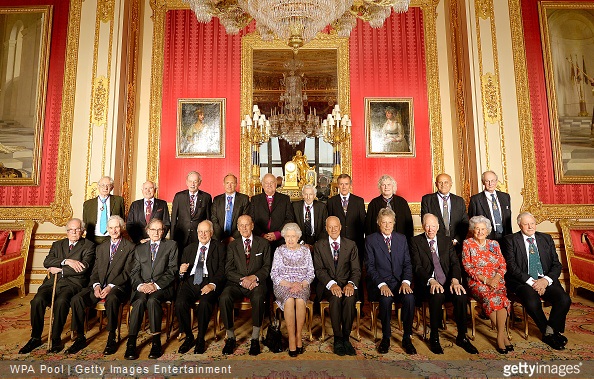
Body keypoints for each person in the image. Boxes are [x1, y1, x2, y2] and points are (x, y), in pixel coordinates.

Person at [19, 219, 95, 354]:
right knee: (37, 301)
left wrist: (60, 269)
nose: (74, 232)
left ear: (82, 231)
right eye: (71, 230)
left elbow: (83, 268)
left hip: (73, 283)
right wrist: (67, 261)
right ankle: (35, 337)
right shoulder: (57, 244)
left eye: (77, 229)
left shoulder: (88, 245)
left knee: (61, 302)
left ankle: (56, 339)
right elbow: (47, 262)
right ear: (67, 232)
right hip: (52, 282)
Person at [66, 216, 135, 355]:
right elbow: (95, 271)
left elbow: (127, 273)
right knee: (77, 299)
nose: (114, 230)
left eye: (116, 227)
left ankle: (111, 337)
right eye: (111, 228)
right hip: (99, 286)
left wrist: (110, 286)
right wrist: (96, 285)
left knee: (112, 299)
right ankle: (80, 338)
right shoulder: (101, 247)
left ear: (121, 228)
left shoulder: (130, 247)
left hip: (118, 287)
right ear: (107, 230)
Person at [503, 212, 571, 351]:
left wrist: (545, 281)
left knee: (564, 299)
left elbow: (556, 264)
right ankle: (550, 333)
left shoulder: (546, 238)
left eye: (532, 223)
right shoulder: (510, 240)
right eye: (526, 224)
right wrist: (531, 281)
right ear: (519, 225)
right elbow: (511, 267)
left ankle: (550, 332)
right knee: (532, 302)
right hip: (522, 280)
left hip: (545, 279)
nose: (530, 226)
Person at [124, 219, 178, 360]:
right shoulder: (140, 248)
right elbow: (134, 272)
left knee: (153, 300)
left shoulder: (171, 246)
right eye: (153, 230)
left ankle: (156, 342)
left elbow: (172, 270)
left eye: (160, 229)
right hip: (142, 286)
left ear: (163, 231)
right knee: (140, 301)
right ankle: (131, 342)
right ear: (147, 231)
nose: (156, 232)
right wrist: (141, 286)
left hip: (162, 287)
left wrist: (155, 285)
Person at [365, 208, 416, 355]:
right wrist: (382, 285)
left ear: (394, 223)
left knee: (410, 298)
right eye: (384, 223)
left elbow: (407, 264)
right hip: (380, 284)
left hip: (400, 283)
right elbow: (370, 267)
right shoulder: (371, 240)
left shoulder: (401, 238)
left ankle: (407, 337)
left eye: (390, 223)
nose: (387, 226)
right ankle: (386, 338)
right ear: (378, 223)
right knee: (386, 300)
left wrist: (406, 282)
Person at [219, 215, 271, 356]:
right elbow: (228, 270)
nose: (244, 228)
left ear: (252, 226)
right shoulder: (232, 245)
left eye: (247, 225)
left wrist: (254, 277)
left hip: (256, 283)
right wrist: (242, 280)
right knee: (224, 297)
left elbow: (267, 267)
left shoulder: (263, 244)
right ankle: (230, 337)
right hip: (236, 283)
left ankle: (255, 338)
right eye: (241, 225)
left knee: (259, 296)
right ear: (237, 227)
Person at [462, 215, 512, 354]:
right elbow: (468, 267)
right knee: (490, 298)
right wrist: (486, 280)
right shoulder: (468, 244)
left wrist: (496, 278)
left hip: (496, 280)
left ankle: (500, 335)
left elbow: (503, 264)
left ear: (488, 230)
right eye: (477, 229)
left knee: (501, 299)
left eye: (483, 229)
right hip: (477, 281)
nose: (480, 232)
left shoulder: (494, 244)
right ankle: (502, 338)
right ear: (473, 230)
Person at [176, 220, 226, 354]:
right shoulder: (189, 248)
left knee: (204, 303)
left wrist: (212, 284)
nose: (203, 234)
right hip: (191, 281)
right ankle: (189, 336)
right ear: (197, 233)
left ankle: (200, 338)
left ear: (212, 233)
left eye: (206, 231)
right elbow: (181, 275)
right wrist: (181, 271)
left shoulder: (220, 247)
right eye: (200, 232)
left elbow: (222, 270)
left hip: (208, 280)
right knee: (180, 303)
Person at [313, 216, 360, 356]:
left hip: (347, 284)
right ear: (326, 228)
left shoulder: (351, 245)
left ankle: (346, 338)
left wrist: (351, 284)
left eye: (336, 226)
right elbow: (319, 270)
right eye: (330, 227)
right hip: (327, 286)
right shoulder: (319, 245)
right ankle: (338, 339)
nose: (333, 229)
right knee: (335, 299)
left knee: (350, 299)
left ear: (340, 227)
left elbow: (356, 270)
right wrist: (332, 284)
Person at [270, 223, 315, 357]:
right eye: (287, 236)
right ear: (284, 237)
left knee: (300, 301)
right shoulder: (279, 250)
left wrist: (301, 284)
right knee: (289, 300)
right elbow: (274, 274)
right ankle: (291, 338)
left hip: (302, 285)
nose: (290, 240)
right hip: (283, 285)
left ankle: (298, 335)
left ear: (298, 237)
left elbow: (311, 273)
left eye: (293, 237)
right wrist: (289, 284)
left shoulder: (305, 251)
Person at [326, 174, 366, 303]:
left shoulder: (359, 201)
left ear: (350, 185)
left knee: (355, 271)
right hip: (338, 243)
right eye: (341, 184)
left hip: (356, 244)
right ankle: (339, 299)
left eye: (346, 184)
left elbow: (363, 223)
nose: (344, 186)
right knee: (339, 270)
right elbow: (329, 223)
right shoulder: (331, 201)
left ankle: (357, 301)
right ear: (338, 185)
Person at [421, 173, 469, 254]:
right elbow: (425, 222)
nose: (443, 185)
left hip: (456, 244)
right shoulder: (427, 200)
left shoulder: (459, 200)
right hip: (436, 244)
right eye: (440, 182)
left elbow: (464, 223)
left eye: (446, 182)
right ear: (436, 184)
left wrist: (456, 240)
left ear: (451, 184)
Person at [249, 173, 294, 251]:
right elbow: (251, 220)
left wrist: (278, 234)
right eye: (266, 183)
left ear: (276, 184)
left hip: (281, 239)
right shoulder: (255, 200)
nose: (269, 185)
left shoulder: (285, 199)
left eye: (271, 182)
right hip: (260, 239)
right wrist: (262, 235)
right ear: (262, 185)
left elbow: (289, 219)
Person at [171, 171, 212, 251]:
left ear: (200, 183)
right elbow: (173, 220)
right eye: (190, 181)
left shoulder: (206, 197)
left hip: (198, 236)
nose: (192, 184)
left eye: (195, 181)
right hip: (181, 236)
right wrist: (172, 239)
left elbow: (208, 219)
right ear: (186, 182)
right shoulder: (179, 196)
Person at [365, 174, 413, 241]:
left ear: (393, 186)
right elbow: (368, 226)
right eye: (383, 185)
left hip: (399, 241)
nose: (386, 187)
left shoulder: (402, 202)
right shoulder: (373, 203)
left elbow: (409, 225)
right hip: (378, 242)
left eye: (388, 184)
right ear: (380, 187)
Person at [468, 171, 512, 242]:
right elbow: (472, 221)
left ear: (496, 181)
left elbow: (508, 219)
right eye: (487, 181)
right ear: (483, 182)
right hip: (486, 239)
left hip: (506, 237)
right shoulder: (475, 199)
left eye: (492, 181)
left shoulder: (505, 197)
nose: (490, 184)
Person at [83, 176, 125, 245]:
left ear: (111, 188)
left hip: (112, 238)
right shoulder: (88, 204)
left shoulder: (118, 201)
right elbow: (85, 222)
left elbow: (122, 219)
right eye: (102, 185)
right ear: (98, 187)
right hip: (92, 239)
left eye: (108, 185)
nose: (105, 188)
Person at [211, 174, 250, 244]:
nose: (229, 185)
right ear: (223, 184)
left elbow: (245, 219)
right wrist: (221, 237)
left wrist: (233, 237)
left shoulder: (244, 199)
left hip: (237, 238)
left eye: (232, 183)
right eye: (227, 183)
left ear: (236, 184)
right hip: (219, 238)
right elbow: (214, 219)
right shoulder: (217, 199)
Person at [292, 184, 328, 249]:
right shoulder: (295, 206)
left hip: (318, 242)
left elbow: (325, 227)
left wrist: (316, 244)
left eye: (311, 194)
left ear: (314, 195)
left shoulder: (322, 207)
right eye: (306, 194)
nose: (308, 197)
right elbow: (292, 227)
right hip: (299, 242)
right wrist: (302, 243)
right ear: (302, 195)